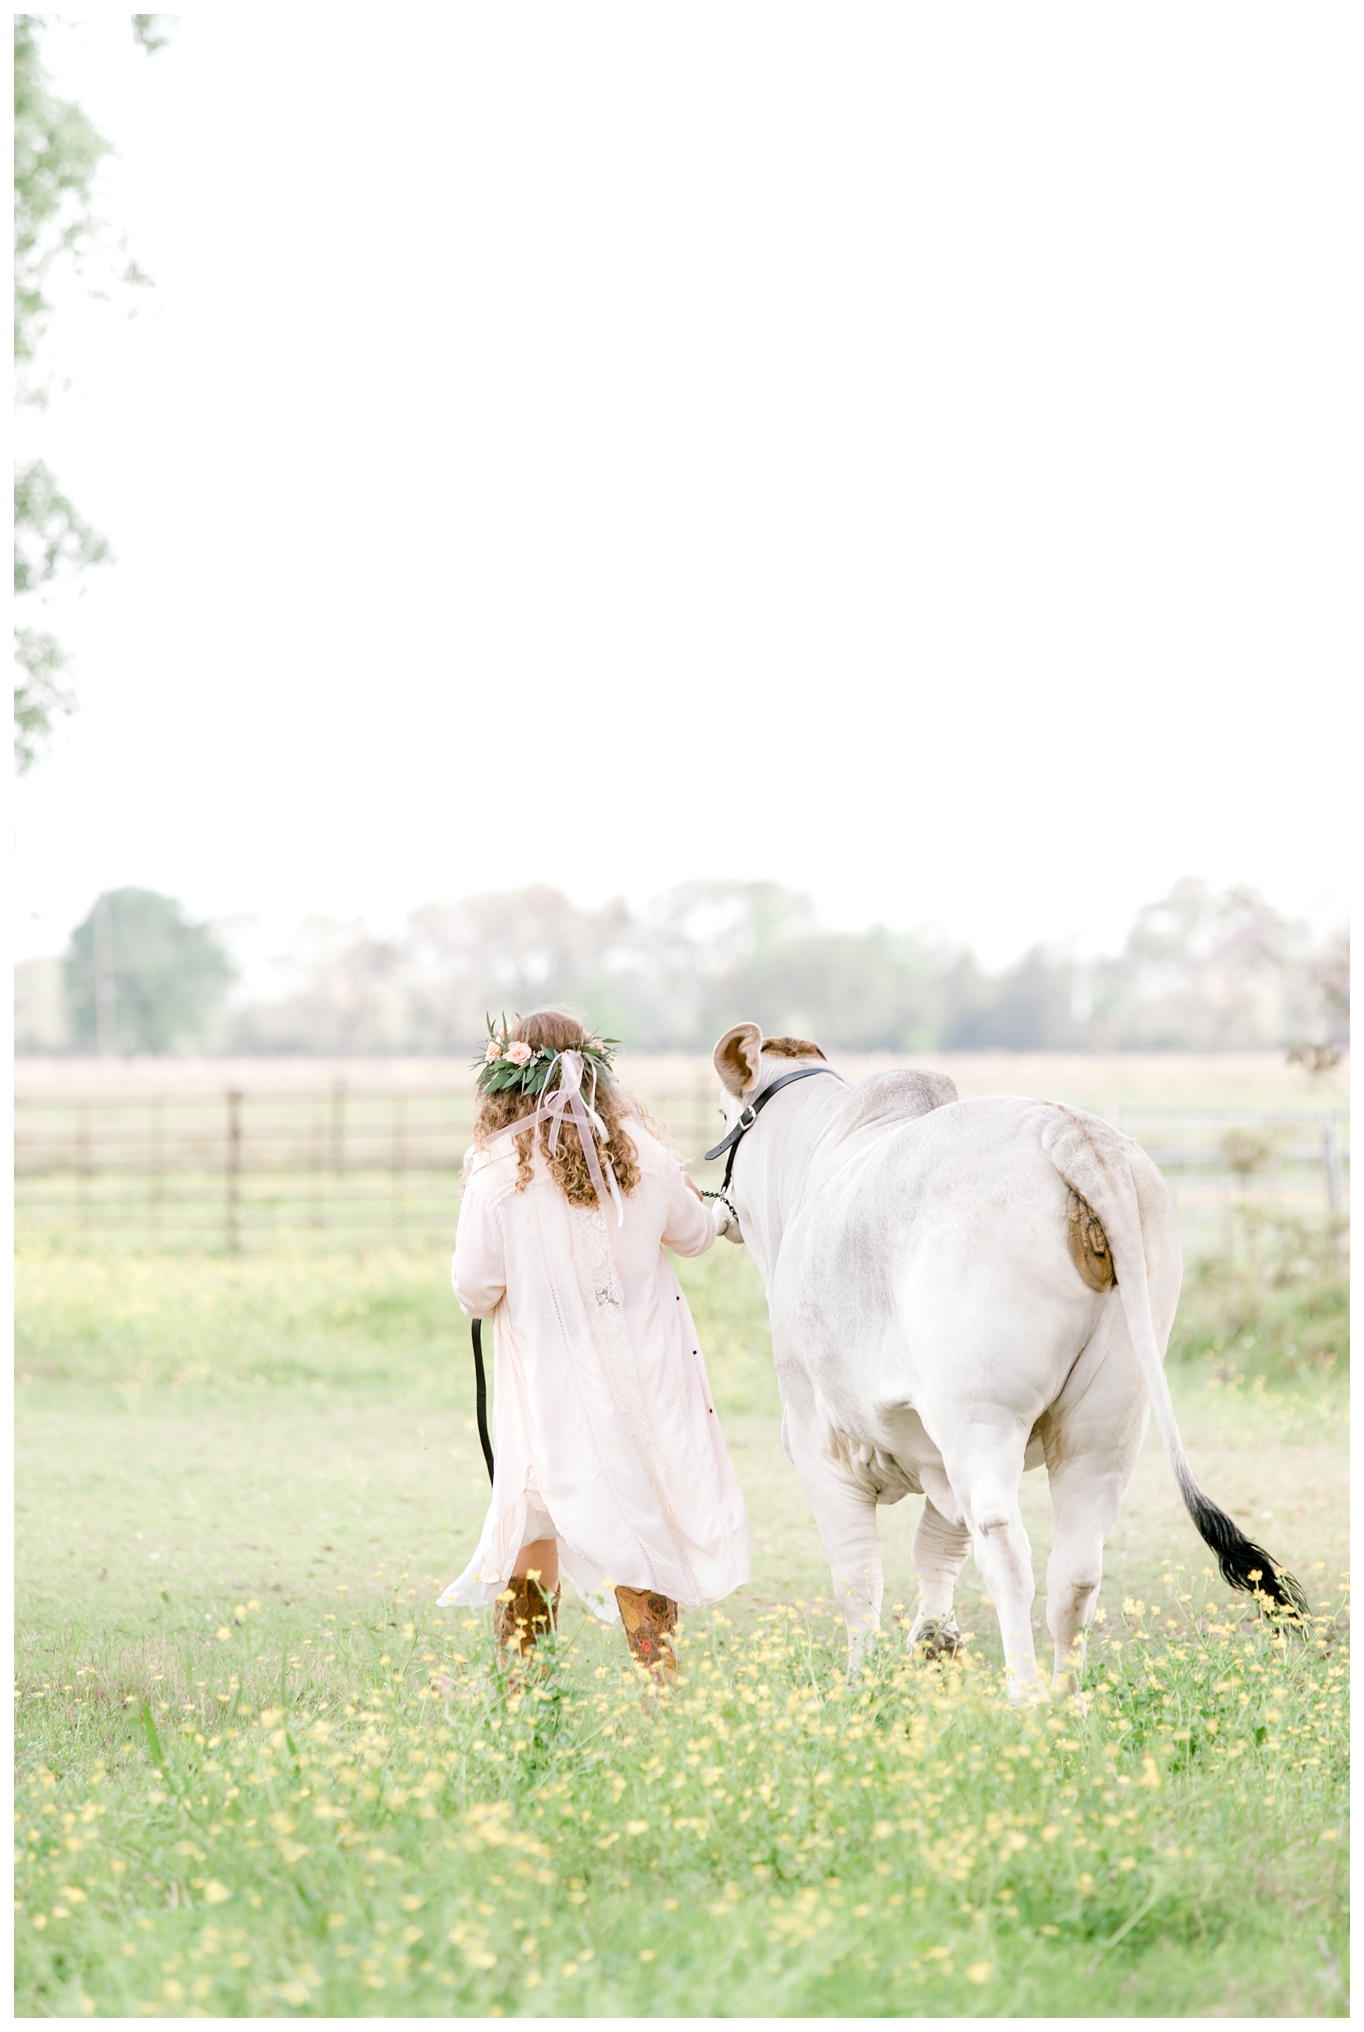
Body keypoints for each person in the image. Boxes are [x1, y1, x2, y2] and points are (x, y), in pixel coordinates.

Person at [437, 1009, 750, 1681]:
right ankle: (660, 1684)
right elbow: (696, 1236)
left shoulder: (494, 1174)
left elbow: (474, 1290)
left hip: (550, 1387)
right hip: (645, 1376)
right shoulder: (641, 1155)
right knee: (635, 1512)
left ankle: (526, 1691)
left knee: (533, 1516)